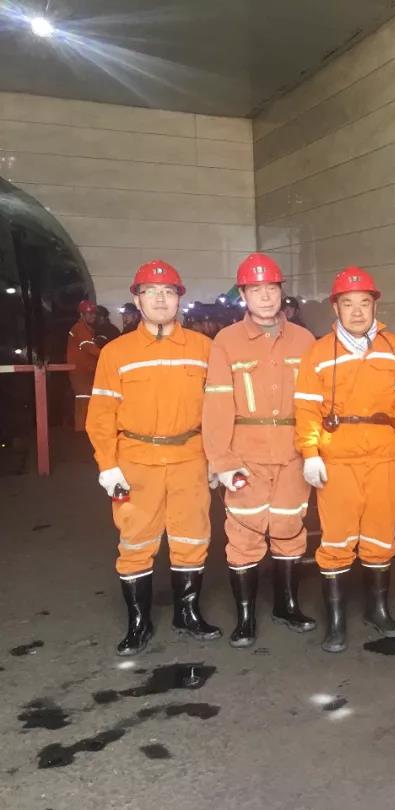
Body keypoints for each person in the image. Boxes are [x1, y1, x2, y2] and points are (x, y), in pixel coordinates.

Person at [86, 260, 219, 656]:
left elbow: (218, 410)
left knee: (192, 537)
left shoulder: (204, 349)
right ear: (138, 300)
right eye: (151, 292)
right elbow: (101, 415)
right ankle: (138, 624)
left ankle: (187, 614)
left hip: (190, 458)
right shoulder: (116, 352)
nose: (160, 299)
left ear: (179, 299)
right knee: (135, 542)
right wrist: (108, 465)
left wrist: (218, 458)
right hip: (136, 462)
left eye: (168, 292)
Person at [293, 267, 395, 653]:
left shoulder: (394, 348)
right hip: (339, 458)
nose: (358, 311)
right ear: (336, 308)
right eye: (348, 303)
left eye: (364, 302)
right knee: (336, 540)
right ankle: (337, 622)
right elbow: (307, 409)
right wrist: (310, 453)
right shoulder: (318, 352)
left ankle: (378, 611)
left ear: (375, 305)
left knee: (380, 536)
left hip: (384, 456)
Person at [202, 253, 317, 648]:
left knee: (290, 529)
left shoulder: (304, 340)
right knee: (245, 535)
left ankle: (287, 605)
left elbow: (314, 402)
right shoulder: (227, 341)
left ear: (281, 292)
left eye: (271, 288)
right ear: (244, 295)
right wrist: (221, 461)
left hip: (293, 453)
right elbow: (217, 405)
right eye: (256, 290)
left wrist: (314, 452)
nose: (266, 296)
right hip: (245, 456)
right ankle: (246, 617)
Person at [67, 299, 101, 432]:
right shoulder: (80, 328)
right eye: (90, 313)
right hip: (81, 372)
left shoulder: (86, 329)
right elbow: (90, 349)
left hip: (86, 371)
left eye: (94, 313)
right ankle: (82, 431)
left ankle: (83, 430)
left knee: (86, 399)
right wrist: (108, 356)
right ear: (82, 314)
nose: (93, 316)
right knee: (84, 400)